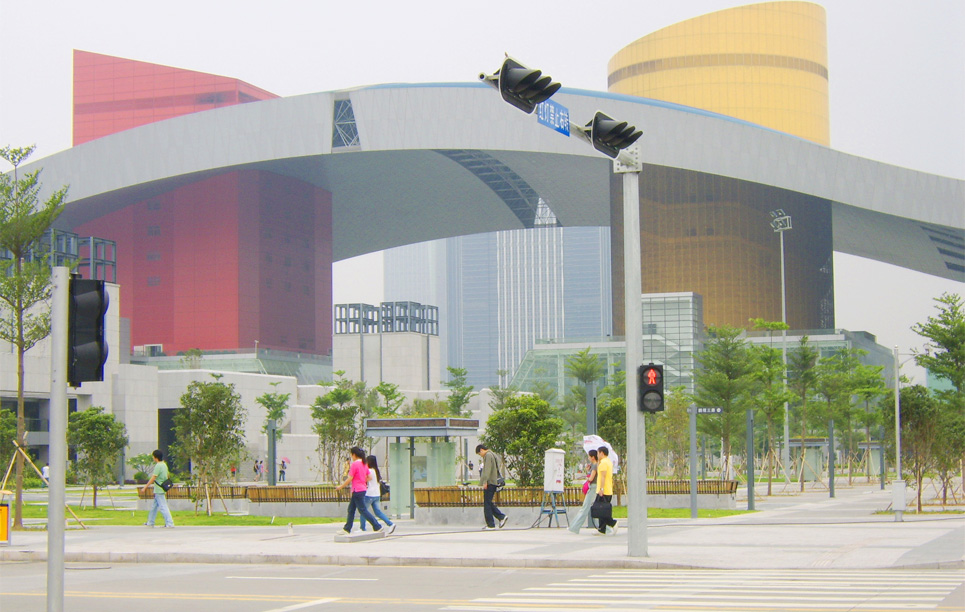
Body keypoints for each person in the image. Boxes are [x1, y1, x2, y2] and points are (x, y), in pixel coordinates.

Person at [335, 447, 382, 534]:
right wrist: (362, 480)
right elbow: (369, 477)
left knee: (362, 510)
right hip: (362, 489)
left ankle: (377, 526)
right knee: (351, 509)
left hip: (357, 490)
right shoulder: (364, 463)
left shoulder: (355, 464)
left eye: (351, 455)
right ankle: (347, 529)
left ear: (354, 455)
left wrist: (341, 486)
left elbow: (350, 478)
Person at [358, 456, 396, 534]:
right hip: (376, 494)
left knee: (363, 510)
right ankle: (390, 524)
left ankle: (362, 528)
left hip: (369, 494)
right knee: (378, 512)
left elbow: (365, 479)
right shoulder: (376, 471)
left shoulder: (369, 471)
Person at [476, 444, 508, 530]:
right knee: (488, 502)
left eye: (479, 453)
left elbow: (487, 469)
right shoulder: (493, 454)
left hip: (490, 482)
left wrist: (485, 481)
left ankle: (491, 524)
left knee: (487, 503)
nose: (480, 455)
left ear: (482, 450)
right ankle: (501, 517)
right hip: (493, 482)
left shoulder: (488, 455)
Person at [142, 449, 174, 528]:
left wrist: (145, 487)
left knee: (163, 506)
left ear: (155, 457)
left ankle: (170, 523)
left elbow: (153, 477)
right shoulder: (164, 465)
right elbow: (167, 475)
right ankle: (150, 522)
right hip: (161, 488)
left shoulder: (158, 466)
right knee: (154, 506)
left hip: (159, 489)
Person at [568, 450, 598, 534]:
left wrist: (586, 477)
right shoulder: (593, 466)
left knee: (584, 508)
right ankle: (573, 527)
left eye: (589, 456)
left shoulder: (595, 466)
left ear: (592, 457)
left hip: (593, 487)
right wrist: (588, 470)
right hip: (593, 487)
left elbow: (591, 478)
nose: (588, 458)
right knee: (585, 508)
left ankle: (574, 527)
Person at [595, 446, 617, 535]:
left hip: (604, 490)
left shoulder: (604, 463)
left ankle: (613, 523)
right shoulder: (608, 461)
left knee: (601, 510)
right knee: (602, 509)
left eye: (598, 453)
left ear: (602, 453)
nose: (597, 455)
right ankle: (602, 529)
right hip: (608, 490)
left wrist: (601, 489)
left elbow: (603, 476)